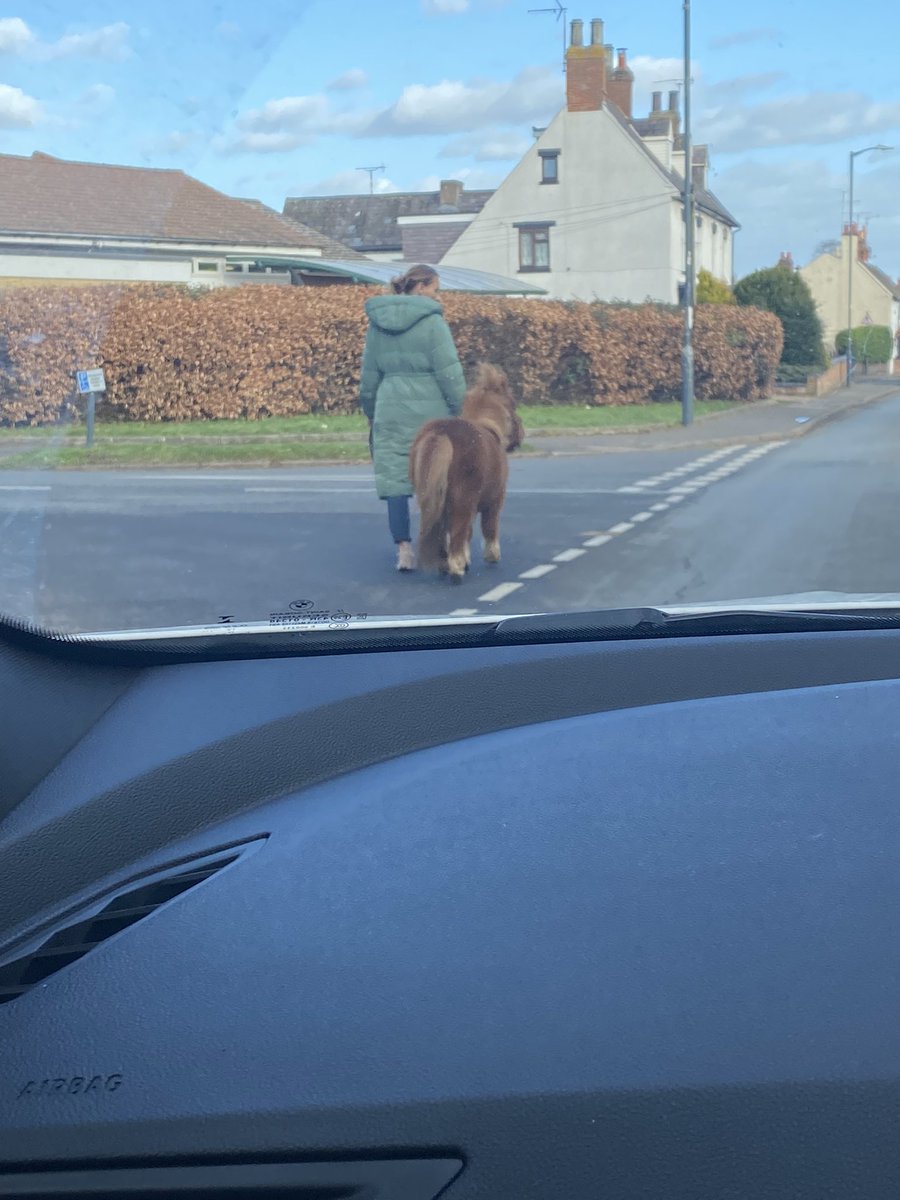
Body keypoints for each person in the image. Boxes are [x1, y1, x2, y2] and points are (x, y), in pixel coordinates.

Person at [359, 264, 466, 572]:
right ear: (420, 288)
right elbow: (449, 373)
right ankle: (440, 545)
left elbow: (369, 376)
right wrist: (461, 410)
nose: (437, 296)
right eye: (435, 289)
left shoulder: (376, 324)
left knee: (395, 481)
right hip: (431, 412)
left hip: (389, 407)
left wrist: (371, 410)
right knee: (436, 479)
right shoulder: (433, 323)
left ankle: (404, 551)